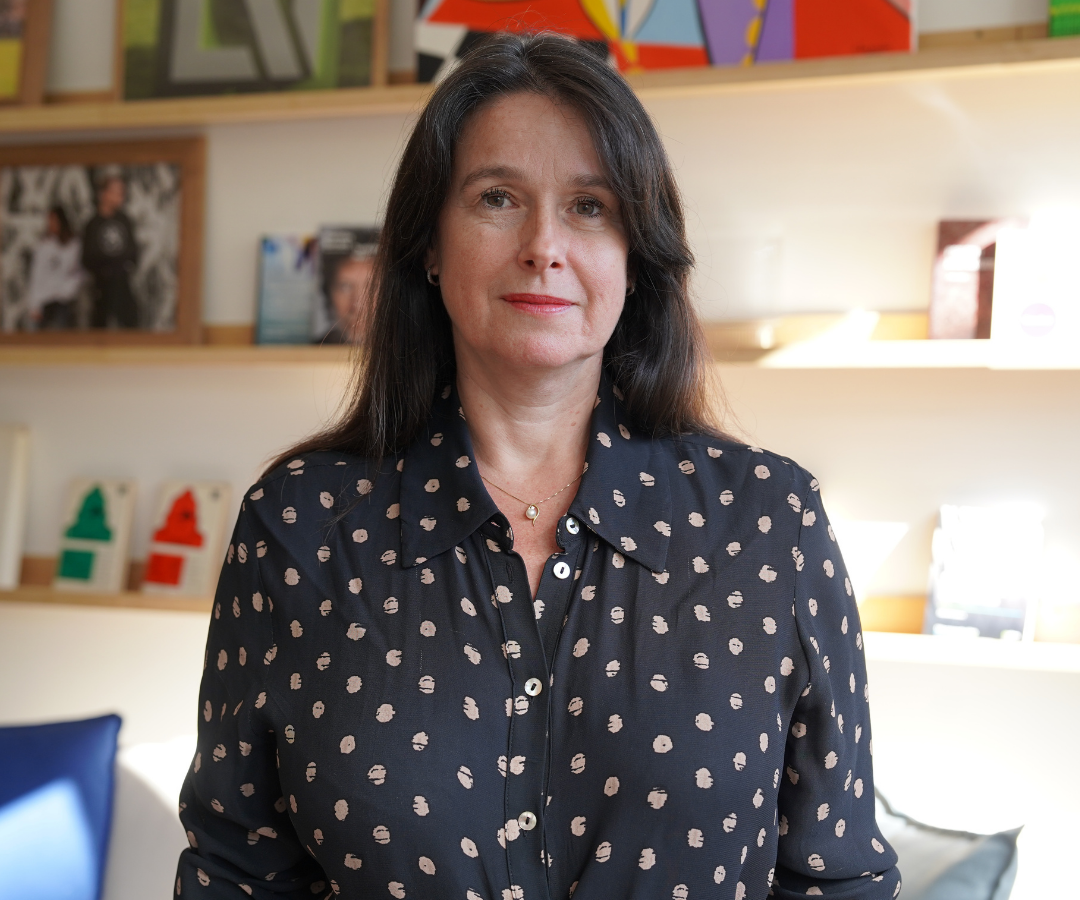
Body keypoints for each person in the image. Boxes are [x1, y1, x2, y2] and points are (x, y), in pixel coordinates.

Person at [176, 32, 899, 900]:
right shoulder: (298, 528)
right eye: (497, 198)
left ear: (636, 255)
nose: (544, 245)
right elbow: (236, 874)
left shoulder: (771, 521)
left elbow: (838, 877)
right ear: (430, 245)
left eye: (589, 206)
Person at [81, 173, 139, 329]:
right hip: (100, 286)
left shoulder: (125, 221)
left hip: (122, 283)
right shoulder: (93, 224)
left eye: (122, 192)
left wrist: (124, 266)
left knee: (130, 320)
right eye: (115, 191)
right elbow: (87, 257)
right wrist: (104, 269)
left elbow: (132, 252)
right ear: (103, 193)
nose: (120, 196)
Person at [25, 206, 82, 330]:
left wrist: (68, 290)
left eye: (54, 221)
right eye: (49, 221)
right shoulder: (43, 245)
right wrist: (34, 305)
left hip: (64, 300)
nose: (51, 224)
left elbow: (77, 272)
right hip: (45, 300)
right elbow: (37, 275)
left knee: (62, 335)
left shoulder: (73, 245)